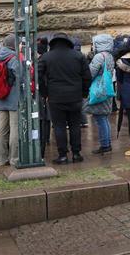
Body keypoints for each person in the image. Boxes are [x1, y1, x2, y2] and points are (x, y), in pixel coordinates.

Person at [38, 32, 92, 165]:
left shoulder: (46, 57)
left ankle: (62, 155)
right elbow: (87, 77)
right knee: (75, 125)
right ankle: (76, 153)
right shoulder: (78, 56)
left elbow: (38, 77)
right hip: (75, 97)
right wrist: (84, 93)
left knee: (59, 126)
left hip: (55, 97)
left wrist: (45, 93)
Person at [85, 34, 116, 155]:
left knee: (100, 118)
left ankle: (105, 145)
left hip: (98, 89)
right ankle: (106, 144)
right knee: (104, 118)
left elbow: (91, 73)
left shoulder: (99, 56)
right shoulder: (109, 55)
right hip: (106, 88)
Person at [0, 34, 21, 166]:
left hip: (1, 97)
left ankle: (2, 158)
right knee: (14, 128)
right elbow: (20, 77)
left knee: (2, 129)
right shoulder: (14, 58)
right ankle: (14, 158)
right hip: (14, 97)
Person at [35, 35, 51, 157]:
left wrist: (44, 93)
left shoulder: (41, 61)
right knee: (46, 118)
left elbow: (40, 78)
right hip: (48, 93)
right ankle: (46, 139)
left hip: (43, 94)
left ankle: (42, 143)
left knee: (43, 118)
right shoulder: (48, 57)